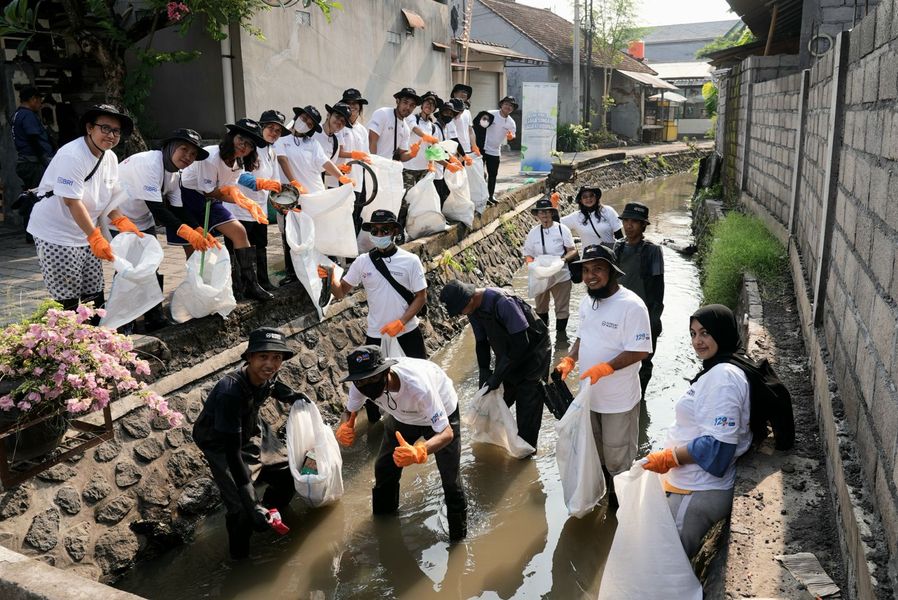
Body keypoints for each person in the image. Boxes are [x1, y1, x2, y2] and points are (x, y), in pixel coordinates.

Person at [640, 305, 753, 558]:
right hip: (687, 482)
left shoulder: (724, 377)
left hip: (699, 489)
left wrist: (670, 457)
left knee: (669, 563)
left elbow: (719, 448)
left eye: (705, 333)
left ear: (721, 333)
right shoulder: (719, 368)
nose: (697, 341)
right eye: (693, 334)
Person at [193, 327, 308, 559]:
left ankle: (272, 513)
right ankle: (239, 559)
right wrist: (251, 502)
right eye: (263, 357)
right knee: (241, 509)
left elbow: (274, 386)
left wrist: (293, 396)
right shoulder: (230, 392)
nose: (270, 364)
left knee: (288, 473)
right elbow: (234, 455)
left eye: (277, 358)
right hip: (222, 443)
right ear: (249, 358)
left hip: (252, 428)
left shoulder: (268, 373)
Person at [334, 345, 467, 541]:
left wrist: (419, 451)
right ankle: (383, 523)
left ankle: (458, 537)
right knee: (384, 466)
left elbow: (446, 433)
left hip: (441, 415)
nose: (367, 385)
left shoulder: (417, 386)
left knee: (450, 478)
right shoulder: (359, 384)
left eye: (373, 378)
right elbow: (350, 409)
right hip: (401, 418)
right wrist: (347, 424)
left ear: (386, 371)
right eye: (362, 381)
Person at [554, 244, 652, 505]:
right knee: (595, 455)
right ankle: (604, 500)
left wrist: (607, 367)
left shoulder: (632, 306)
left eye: (597, 269)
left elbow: (640, 350)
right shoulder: (587, 302)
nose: (590, 276)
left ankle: (621, 512)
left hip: (618, 400)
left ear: (612, 272)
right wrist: (570, 359)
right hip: (589, 397)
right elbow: (582, 335)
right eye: (586, 270)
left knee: (618, 459)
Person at [26, 104, 140, 312]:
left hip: (86, 232)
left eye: (116, 131)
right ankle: (68, 341)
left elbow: (109, 198)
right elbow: (72, 201)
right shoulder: (73, 155)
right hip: (57, 233)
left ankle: (98, 340)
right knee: (67, 296)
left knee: (93, 292)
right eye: (105, 128)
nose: (111, 135)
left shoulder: (110, 157)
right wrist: (95, 237)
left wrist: (121, 221)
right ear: (89, 128)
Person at [327, 209, 427, 422]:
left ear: (394, 232)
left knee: (421, 377)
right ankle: (375, 424)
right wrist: (328, 276)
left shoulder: (410, 261)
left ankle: (422, 418)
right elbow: (340, 292)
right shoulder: (363, 262)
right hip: (376, 333)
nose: (379, 235)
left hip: (406, 331)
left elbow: (421, 297)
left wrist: (401, 322)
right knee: (368, 383)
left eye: (384, 230)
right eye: (375, 230)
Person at [111, 128, 214, 331]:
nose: (188, 157)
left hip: (142, 218)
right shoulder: (150, 164)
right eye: (184, 149)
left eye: (193, 154)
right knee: (127, 268)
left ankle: (154, 315)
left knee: (152, 264)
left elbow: (177, 208)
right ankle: (122, 320)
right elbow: (158, 210)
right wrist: (187, 233)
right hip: (118, 217)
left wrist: (199, 229)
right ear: (169, 146)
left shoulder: (174, 173)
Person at [439, 280, 550, 450]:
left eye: (460, 310)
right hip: (507, 353)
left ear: (469, 299)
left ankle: (527, 450)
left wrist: (497, 376)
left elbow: (521, 343)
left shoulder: (503, 302)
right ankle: (497, 442)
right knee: (498, 398)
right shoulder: (473, 310)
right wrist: (485, 371)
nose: (461, 314)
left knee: (528, 402)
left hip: (533, 354)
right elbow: (482, 342)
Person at [171, 118, 273, 301]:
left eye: (249, 145)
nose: (244, 146)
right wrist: (240, 200)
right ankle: (200, 294)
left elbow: (226, 191)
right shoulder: (210, 157)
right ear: (232, 137)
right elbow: (212, 191)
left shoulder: (238, 164)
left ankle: (250, 284)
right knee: (196, 250)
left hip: (211, 197)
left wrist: (245, 202)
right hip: (188, 198)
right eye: (241, 139)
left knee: (239, 232)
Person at [232, 110, 288, 293]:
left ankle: (262, 281)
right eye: (270, 128)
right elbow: (238, 175)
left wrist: (282, 201)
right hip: (241, 207)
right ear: (261, 127)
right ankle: (240, 286)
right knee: (241, 248)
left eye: (278, 131)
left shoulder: (272, 150)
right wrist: (260, 183)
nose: (274, 133)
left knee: (261, 245)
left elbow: (275, 180)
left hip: (260, 207)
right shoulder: (250, 147)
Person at [613, 202, 665, 396]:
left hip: (644, 314)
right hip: (619, 313)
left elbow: (658, 288)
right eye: (626, 221)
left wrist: (653, 319)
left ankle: (639, 397)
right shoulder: (617, 248)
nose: (629, 225)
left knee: (644, 360)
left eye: (634, 222)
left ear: (643, 226)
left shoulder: (652, 251)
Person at [522, 197, 578, 342]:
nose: (545, 215)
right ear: (537, 215)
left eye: (547, 212)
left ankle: (561, 338)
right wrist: (531, 265)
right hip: (540, 275)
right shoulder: (533, 233)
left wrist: (563, 260)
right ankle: (544, 337)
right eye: (541, 212)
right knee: (540, 308)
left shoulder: (561, 229)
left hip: (561, 274)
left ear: (552, 213)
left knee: (562, 308)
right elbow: (528, 254)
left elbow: (573, 250)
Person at [12, 86, 55, 242]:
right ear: (32, 100)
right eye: (39, 101)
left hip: (26, 162)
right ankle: (35, 233)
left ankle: (32, 233)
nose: (40, 104)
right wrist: (44, 160)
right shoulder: (27, 115)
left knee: (33, 195)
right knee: (40, 197)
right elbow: (34, 139)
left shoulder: (17, 115)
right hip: (34, 162)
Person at [335, 88, 372, 234]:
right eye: (349, 105)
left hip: (358, 180)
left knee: (356, 216)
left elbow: (367, 155)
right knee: (343, 217)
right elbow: (338, 152)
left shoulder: (362, 130)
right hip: (341, 179)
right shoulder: (339, 127)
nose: (352, 108)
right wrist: (354, 155)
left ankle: (353, 254)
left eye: (355, 105)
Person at [478, 96, 517, 203]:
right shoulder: (490, 114)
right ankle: (479, 197)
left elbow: (513, 136)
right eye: (506, 104)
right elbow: (479, 125)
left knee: (493, 174)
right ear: (501, 104)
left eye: (511, 106)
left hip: (495, 150)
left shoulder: (511, 122)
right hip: (482, 148)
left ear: (512, 109)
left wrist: (511, 137)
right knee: (479, 173)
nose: (508, 107)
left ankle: (490, 196)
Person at [368, 88, 421, 163]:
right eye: (405, 102)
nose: (408, 107)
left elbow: (402, 155)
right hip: (371, 164)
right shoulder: (383, 113)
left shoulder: (406, 129)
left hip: (387, 168)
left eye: (412, 105)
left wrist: (412, 153)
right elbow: (372, 141)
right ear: (397, 101)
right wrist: (373, 164)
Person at [402, 91, 441, 189]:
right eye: (427, 102)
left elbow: (433, 148)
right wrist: (426, 137)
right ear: (422, 105)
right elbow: (414, 128)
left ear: (434, 109)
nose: (429, 105)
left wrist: (431, 165)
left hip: (424, 169)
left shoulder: (433, 127)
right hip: (409, 166)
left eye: (432, 104)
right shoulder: (412, 117)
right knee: (406, 198)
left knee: (421, 199)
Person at [312, 102, 353, 189]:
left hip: (315, 187)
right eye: (337, 117)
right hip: (295, 183)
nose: (339, 122)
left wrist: (339, 168)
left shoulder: (336, 143)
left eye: (343, 121)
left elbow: (326, 171)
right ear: (328, 115)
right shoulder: (312, 131)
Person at [432, 98, 464, 206]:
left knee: (441, 194)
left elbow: (444, 148)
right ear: (440, 113)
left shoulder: (444, 128)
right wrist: (448, 164)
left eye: (451, 114)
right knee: (437, 196)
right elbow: (433, 152)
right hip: (434, 169)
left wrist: (453, 158)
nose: (449, 115)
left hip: (440, 169)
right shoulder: (436, 128)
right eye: (446, 112)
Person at [449, 83, 478, 157]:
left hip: (466, 149)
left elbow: (470, 131)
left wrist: (474, 146)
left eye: (466, 92)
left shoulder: (467, 112)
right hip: (453, 150)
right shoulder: (449, 110)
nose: (464, 94)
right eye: (461, 91)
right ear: (454, 94)